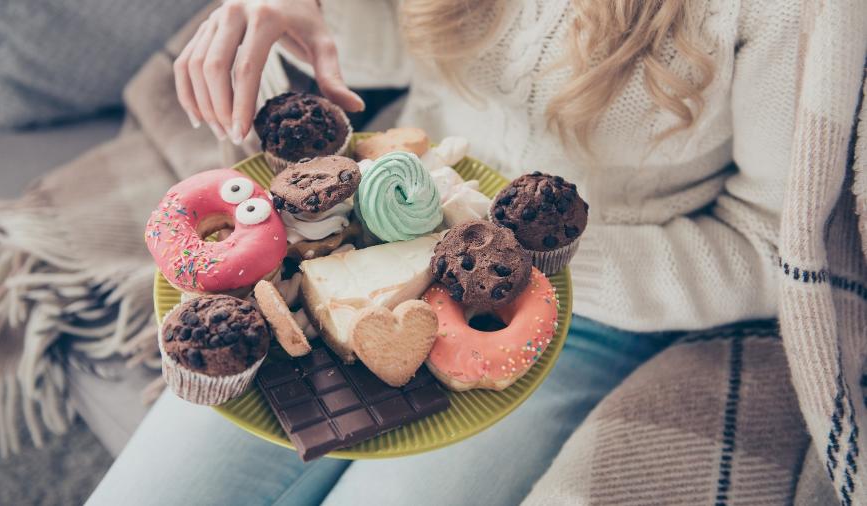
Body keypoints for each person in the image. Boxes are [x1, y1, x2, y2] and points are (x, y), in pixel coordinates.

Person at [88, 0, 812, 504]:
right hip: (367, 233)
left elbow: (776, 242)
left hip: (581, 308)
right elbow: (402, 38)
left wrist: (516, 266)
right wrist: (297, 13)